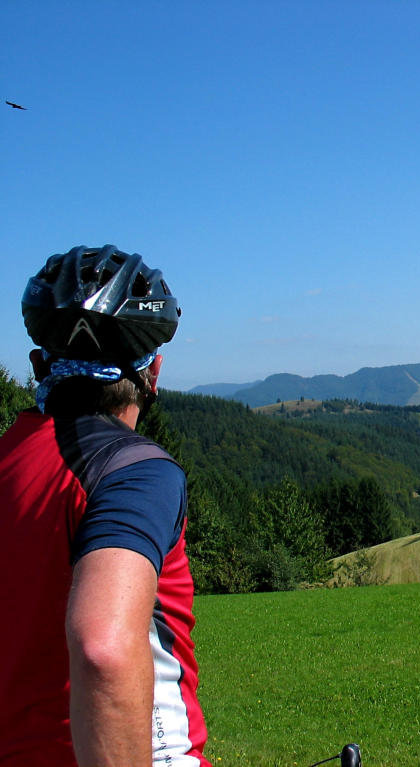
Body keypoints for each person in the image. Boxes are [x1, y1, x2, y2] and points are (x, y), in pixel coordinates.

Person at [0, 245, 209, 767]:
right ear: (153, 373)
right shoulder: (136, 473)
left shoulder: (8, 461)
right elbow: (104, 649)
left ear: (37, 365)